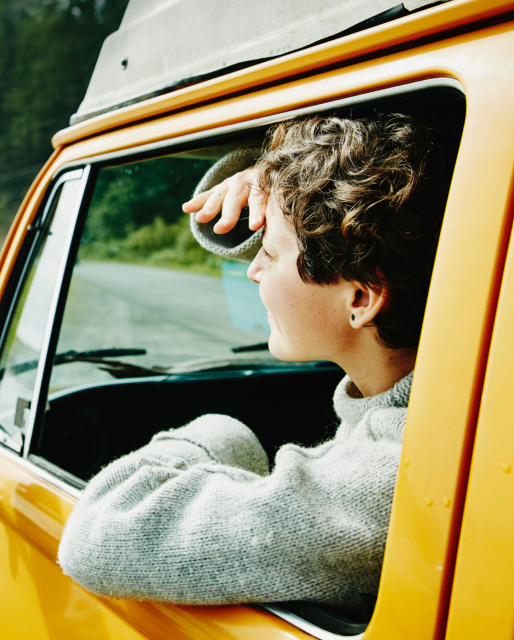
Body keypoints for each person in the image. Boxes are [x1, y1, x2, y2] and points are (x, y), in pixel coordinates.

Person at [55, 113, 447, 614]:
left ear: (363, 298)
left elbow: (96, 538)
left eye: (269, 252)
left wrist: (222, 436)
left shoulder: (385, 481)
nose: (253, 271)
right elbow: (326, 254)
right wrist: (274, 177)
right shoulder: (436, 420)